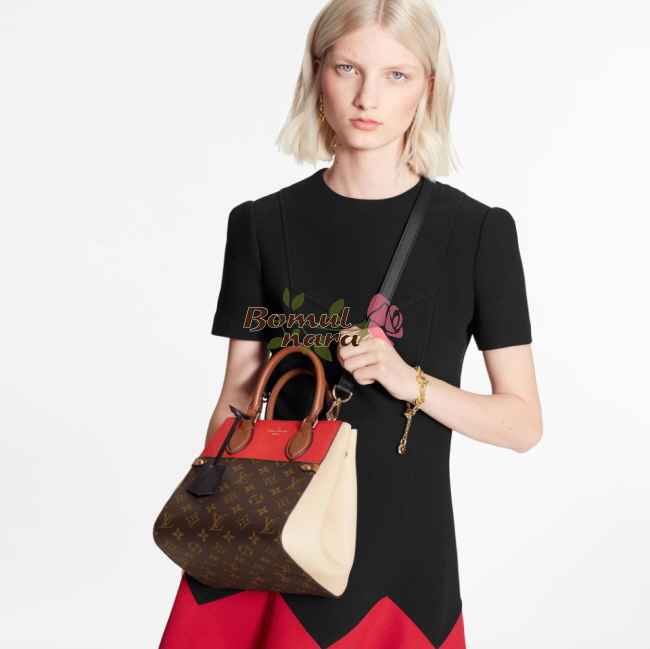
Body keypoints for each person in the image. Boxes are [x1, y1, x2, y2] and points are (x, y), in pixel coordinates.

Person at [157, 0, 543, 647]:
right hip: (277, 537)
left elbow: (523, 423)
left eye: (396, 75)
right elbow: (236, 397)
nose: (368, 97)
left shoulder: (477, 233)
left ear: (427, 87)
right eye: (347, 68)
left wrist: (407, 380)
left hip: (399, 558)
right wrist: (219, 513)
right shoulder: (260, 225)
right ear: (318, 73)